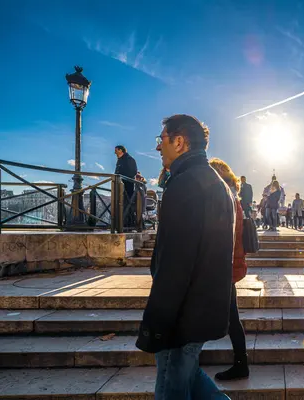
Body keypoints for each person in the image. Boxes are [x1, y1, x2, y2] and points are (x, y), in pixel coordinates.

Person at [136, 114, 233, 400]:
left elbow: (175, 263)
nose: (158, 147)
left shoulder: (186, 184)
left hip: (182, 315)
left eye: (161, 139)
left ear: (179, 142)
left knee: (171, 388)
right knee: (189, 377)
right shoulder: (216, 183)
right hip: (202, 308)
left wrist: (157, 322)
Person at [209, 158, 250, 382]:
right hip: (228, 264)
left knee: (231, 317)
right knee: (231, 316)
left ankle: (241, 364)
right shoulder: (233, 197)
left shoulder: (223, 197)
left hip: (222, 265)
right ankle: (240, 363)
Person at [114, 145, 138, 227]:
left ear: (121, 150)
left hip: (127, 186)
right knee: (119, 203)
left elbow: (133, 172)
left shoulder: (129, 159)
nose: (115, 152)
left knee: (127, 204)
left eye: (116, 150)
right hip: (119, 185)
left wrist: (123, 178)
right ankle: (119, 223)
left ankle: (128, 224)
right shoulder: (119, 160)